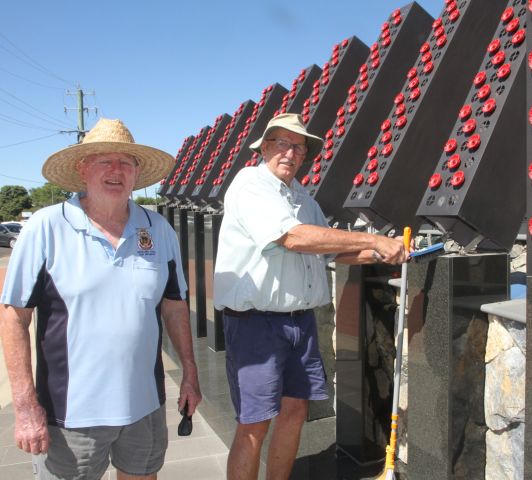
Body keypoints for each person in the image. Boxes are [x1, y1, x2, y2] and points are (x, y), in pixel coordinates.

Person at [0, 118, 202, 480]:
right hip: (70, 415)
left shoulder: (159, 230)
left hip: (145, 408)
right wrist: (26, 406)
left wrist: (190, 371)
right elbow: (14, 317)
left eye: (126, 162)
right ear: (82, 169)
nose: (116, 170)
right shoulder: (45, 227)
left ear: (137, 172)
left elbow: (174, 308)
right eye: (103, 161)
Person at [214, 113, 409, 480]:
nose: (289, 153)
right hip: (256, 324)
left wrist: (385, 251)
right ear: (264, 148)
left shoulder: (301, 196)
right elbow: (293, 238)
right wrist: (371, 239)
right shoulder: (250, 185)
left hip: (299, 324)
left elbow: (328, 249)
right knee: (254, 425)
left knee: (294, 413)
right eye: (281, 144)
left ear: (306, 155)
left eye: (298, 147)